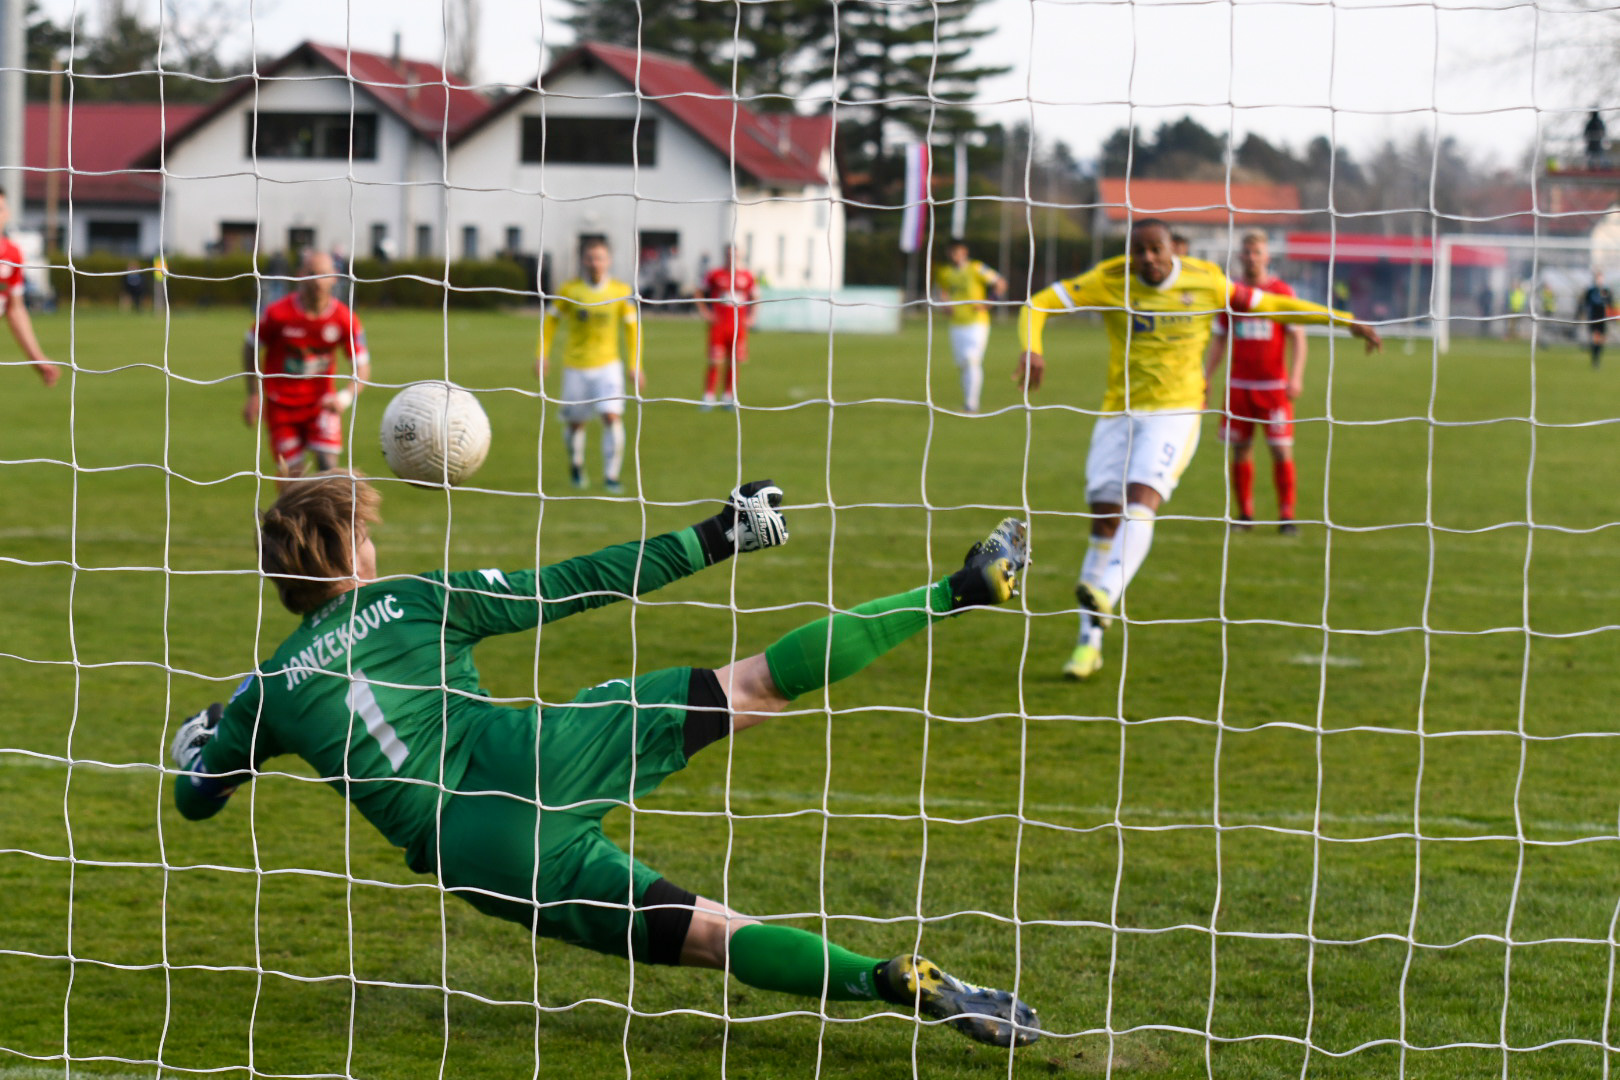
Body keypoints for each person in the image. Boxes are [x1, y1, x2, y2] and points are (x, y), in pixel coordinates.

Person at [168, 471, 1040, 1049]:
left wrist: (200, 746)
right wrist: (719, 535)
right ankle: (963, 589)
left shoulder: (268, 691)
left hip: (474, 853)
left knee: (711, 936)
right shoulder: (412, 599)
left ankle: (881, 978)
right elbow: (573, 583)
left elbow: (200, 799)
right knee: (757, 684)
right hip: (534, 754)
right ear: (352, 553)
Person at [1014, 218, 1382, 682]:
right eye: (1138, 251)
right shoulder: (1109, 279)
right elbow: (1038, 304)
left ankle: (1104, 589)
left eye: (1155, 249)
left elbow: (1274, 304)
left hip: (1177, 411)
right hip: (1118, 412)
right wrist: (1032, 348)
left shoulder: (1206, 280)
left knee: (1141, 497)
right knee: (1104, 521)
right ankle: (1089, 644)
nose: (1146, 258)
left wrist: (1344, 320)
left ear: (1172, 250)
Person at [1203, 231, 1308, 535]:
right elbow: (1219, 341)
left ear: (1267, 257)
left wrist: (1296, 375)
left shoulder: (1281, 292)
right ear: (1240, 256)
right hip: (1239, 386)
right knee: (1240, 450)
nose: (1251, 257)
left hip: (1274, 388)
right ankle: (1244, 515)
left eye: (1256, 252)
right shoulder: (1232, 292)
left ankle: (1287, 517)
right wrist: (1206, 377)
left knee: (1280, 450)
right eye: (1246, 252)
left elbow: (1298, 338)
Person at [243, 251, 370, 487]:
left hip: (321, 405)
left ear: (335, 278)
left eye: (324, 274)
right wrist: (253, 393)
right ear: (300, 276)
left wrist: (343, 397)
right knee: (292, 480)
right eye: (311, 273)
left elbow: (362, 368)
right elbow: (250, 345)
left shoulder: (345, 319)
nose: (317, 281)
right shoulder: (278, 314)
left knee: (329, 469)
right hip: (281, 407)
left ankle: (332, 523)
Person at [538, 238, 641, 493]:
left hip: (608, 366)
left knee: (611, 416)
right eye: (591, 257)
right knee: (576, 423)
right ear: (583, 260)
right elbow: (550, 322)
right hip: (576, 366)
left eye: (600, 257)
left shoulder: (620, 291)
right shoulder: (570, 290)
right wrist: (543, 354)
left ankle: (611, 475)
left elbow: (632, 330)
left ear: (609, 261)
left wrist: (635, 364)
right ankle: (576, 465)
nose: (596, 262)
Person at [934, 239, 1007, 414]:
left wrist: (989, 302)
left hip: (977, 322)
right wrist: (945, 305)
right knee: (963, 363)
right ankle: (968, 401)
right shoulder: (945, 272)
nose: (955, 255)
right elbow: (942, 291)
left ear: (964, 252)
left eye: (958, 251)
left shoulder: (976, 268)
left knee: (971, 359)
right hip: (957, 323)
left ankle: (971, 404)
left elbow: (1000, 283)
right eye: (952, 252)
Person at [0, 191, 59, 387]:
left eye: (0, 209)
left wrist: (38, 358)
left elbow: (15, 308)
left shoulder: (12, 254)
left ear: (7, 213)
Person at [695, 244, 758, 410]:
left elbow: (756, 296)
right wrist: (705, 312)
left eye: (735, 255)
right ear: (725, 256)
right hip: (719, 326)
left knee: (735, 362)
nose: (732, 258)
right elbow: (699, 291)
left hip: (738, 327)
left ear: (739, 256)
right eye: (729, 255)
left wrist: (752, 317)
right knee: (714, 361)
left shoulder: (747, 276)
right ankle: (708, 397)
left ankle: (728, 396)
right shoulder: (715, 274)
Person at [1580, 270, 1614, 368]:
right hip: (1594, 317)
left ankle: (1597, 358)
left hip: (1603, 317)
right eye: (1598, 278)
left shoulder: (1606, 290)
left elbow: (1610, 303)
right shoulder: (1591, 291)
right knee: (1595, 338)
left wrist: (1606, 298)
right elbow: (1585, 303)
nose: (1600, 280)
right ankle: (1595, 360)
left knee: (1602, 340)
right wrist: (1583, 314)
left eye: (1601, 278)